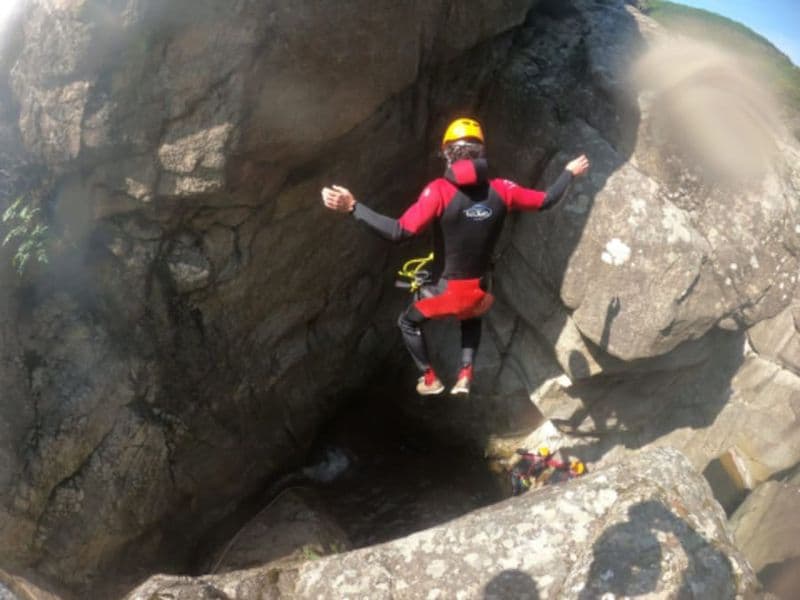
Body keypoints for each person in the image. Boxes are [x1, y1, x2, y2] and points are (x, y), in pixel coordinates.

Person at [321, 117, 590, 396]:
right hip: (480, 291)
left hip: (443, 292)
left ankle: (429, 379)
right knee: (471, 314)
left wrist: (354, 207)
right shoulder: (503, 189)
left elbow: (399, 231)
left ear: (448, 154)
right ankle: (465, 374)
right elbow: (547, 200)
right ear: (481, 153)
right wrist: (569, 172)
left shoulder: (439, 190)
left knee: (408, 322)